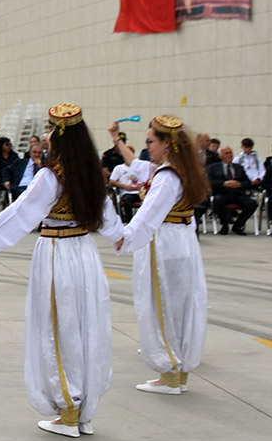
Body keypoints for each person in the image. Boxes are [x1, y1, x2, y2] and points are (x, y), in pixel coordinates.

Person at [0, 104, 123, 438]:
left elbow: (17, 216)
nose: (43, 135)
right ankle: (83, 410)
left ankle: (68, 410)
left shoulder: (51, 175)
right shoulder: (91, 172)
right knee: (85, 328)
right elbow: (113, 225)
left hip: (58, 252)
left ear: (58, 135)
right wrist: (130, 239)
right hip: (86, 253)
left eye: (49, 128)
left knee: (59, 330)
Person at [110, 115, 210, 395]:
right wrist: (116, 139)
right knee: (179, 308)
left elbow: (148, 214)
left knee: (161, 305)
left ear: (167, 144)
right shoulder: (182, 171)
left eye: (151, 141)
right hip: (182, 242)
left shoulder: (166, 177)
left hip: (164, 243)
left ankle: (168, 374)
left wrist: (124, 239)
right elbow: (136, 164)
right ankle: (179, 373)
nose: (148, 147)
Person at [207, 146, 256, 235]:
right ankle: (224, 225)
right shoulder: (213, 167)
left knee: (252, 204)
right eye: (226, 153)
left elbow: (248, 183)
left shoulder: (238, 168)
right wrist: (224, 183)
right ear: (220, 156)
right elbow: (209, 182)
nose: (229, 155)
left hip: (238, 193)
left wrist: (239, 184)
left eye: (231, 153)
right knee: (217, 201)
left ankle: (237, 225)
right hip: (223, 193)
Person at [108, 153, 149, 223]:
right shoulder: (119, 168)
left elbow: (146, 180)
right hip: (127, 192)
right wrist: (124, 186)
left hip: (139, 192)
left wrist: (140, 186)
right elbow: (112, 181)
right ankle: (130, 221)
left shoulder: (140, 169)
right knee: (127, 201)